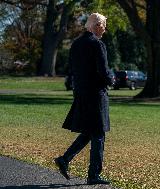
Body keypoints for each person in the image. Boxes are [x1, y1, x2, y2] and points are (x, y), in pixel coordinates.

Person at [54, 12, 113, 185]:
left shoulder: (76, 44)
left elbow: (73, 70)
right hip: (96, 95)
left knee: (89, 131)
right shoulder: (97, 44)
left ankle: (65, 159)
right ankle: (93, 175)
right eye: (103, 25)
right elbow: (103, 71)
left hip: (81, 93)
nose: (105, 29)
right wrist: (111, 79)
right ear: (97, 25)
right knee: (99, 133)